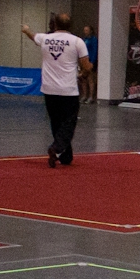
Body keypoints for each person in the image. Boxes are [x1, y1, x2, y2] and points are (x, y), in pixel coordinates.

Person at [22, 13, 92, 167]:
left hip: (49, 89)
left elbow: (33, 36)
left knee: (56, 122)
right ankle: (56, 148)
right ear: (70, 26)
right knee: (68, 122)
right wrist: (83, 75)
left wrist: (26, 30)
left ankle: (65, 156)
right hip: (68, 90)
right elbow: (86, 66)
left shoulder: (45, 39)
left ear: (55, 25)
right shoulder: (77, 42)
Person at [79, 25, 98, 103]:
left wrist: (92, 62)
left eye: (87, 30)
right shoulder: (84, 40)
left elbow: (94, 51)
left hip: (90, 61)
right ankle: (84, 95)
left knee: (90, 79)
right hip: (83, 61)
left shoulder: (93, 40)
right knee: (83, 79)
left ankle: (91, 97)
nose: (85, 32)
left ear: (91, 31)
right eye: (84, 30)